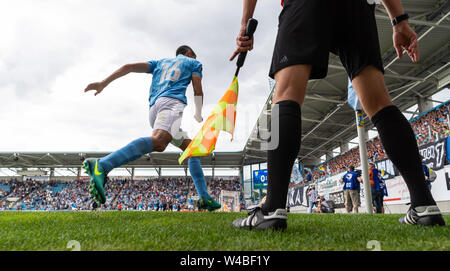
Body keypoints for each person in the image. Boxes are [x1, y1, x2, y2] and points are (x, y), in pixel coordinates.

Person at [231, 0, 445, 229]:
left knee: (286, 95)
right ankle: (424, 206)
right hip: (356, 8)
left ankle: (272, 210)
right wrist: (399, 20)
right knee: (379, 102)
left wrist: (245, 23)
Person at [82, 45, 221, 212]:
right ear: (189, 53)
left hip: (154, 108)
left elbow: (129, 67)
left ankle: (204, 197)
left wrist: (103, 83)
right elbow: (197, 89)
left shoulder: (160, 62)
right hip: (171, 104)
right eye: (193, 55)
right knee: (159, 142)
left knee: (192, 149)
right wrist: (198, 112)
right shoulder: (193, 63)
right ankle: (103, 165)